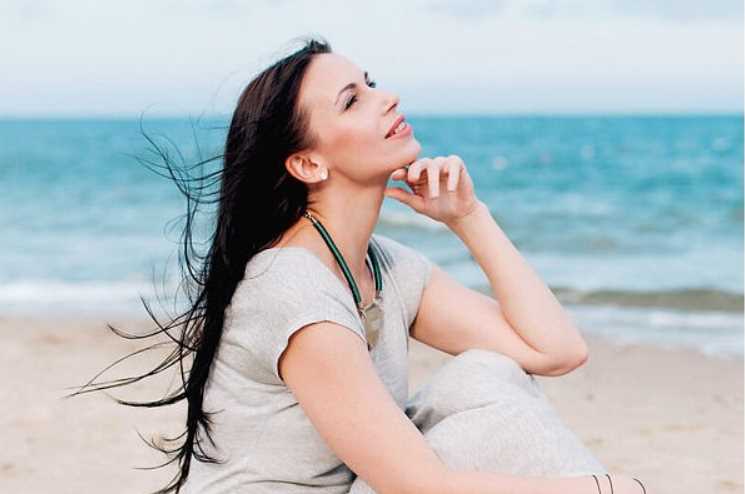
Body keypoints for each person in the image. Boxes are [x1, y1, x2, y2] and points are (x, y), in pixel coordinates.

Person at [71, 36, 648, 493]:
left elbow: (555, 351)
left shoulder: (382, 266)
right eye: (353, 100)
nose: (386, 97)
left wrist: (470, 216)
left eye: (370, 83)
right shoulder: (290, 289)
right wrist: (600, 488)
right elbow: (420, 486)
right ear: (307, 164)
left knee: (488, 375)